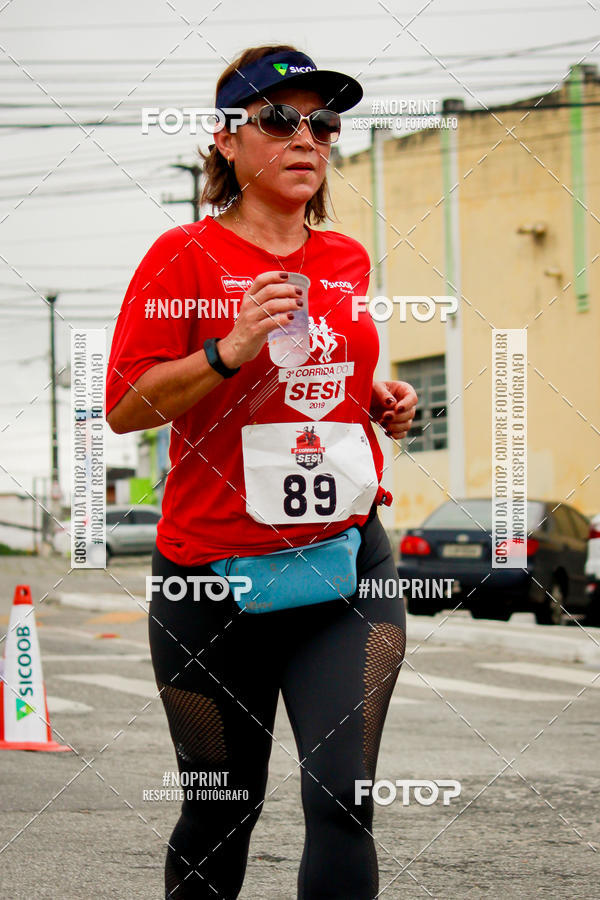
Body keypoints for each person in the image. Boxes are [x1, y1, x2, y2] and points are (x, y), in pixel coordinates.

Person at [106, 44, 417, 900]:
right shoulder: (183, 258)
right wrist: (226, 349)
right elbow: (127, 405)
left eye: (324, 122)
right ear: (226, 144)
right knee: (221, 807)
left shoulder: (346, 260)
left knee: (345, 800)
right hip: (211, 580)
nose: (306, 136)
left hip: (344, 563)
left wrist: (379, 400)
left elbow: (328, 389)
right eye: (278, 118)